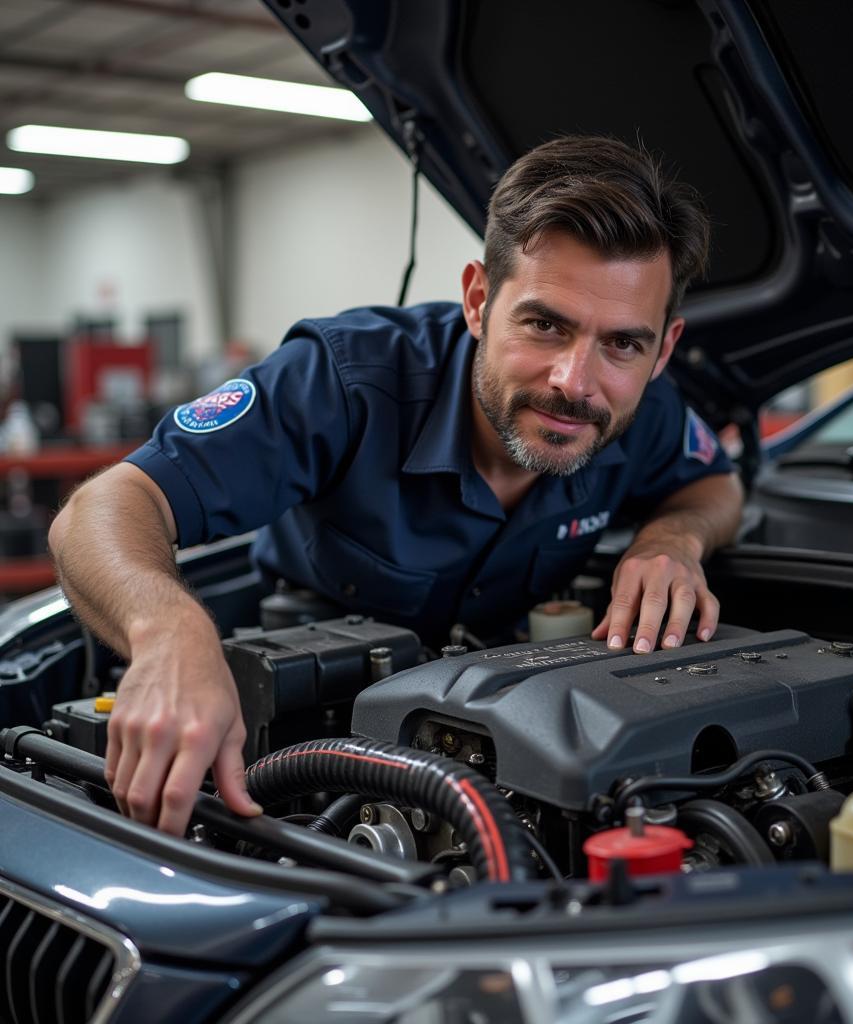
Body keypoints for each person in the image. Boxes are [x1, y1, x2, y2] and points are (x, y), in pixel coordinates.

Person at [48, 135, 744, 836]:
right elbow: (102, 509)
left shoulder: (647, 412)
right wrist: (170, 634)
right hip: (297, 726)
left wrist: (674, 540)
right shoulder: (342, 383)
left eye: (623, 342)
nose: (575, 381)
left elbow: (715, 486)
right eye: (543, 324)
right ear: (477, 300)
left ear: (664, 349)